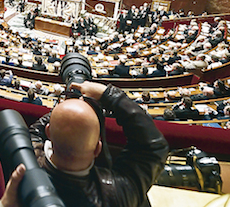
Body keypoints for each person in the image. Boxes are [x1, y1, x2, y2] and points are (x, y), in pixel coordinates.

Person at [29, 81, 168, 207]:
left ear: (48, 132)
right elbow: (153, 147)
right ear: (97, 149)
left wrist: (69, 106)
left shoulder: (25, 162)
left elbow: (35, 131)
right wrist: (108, 94)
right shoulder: (118, 194)